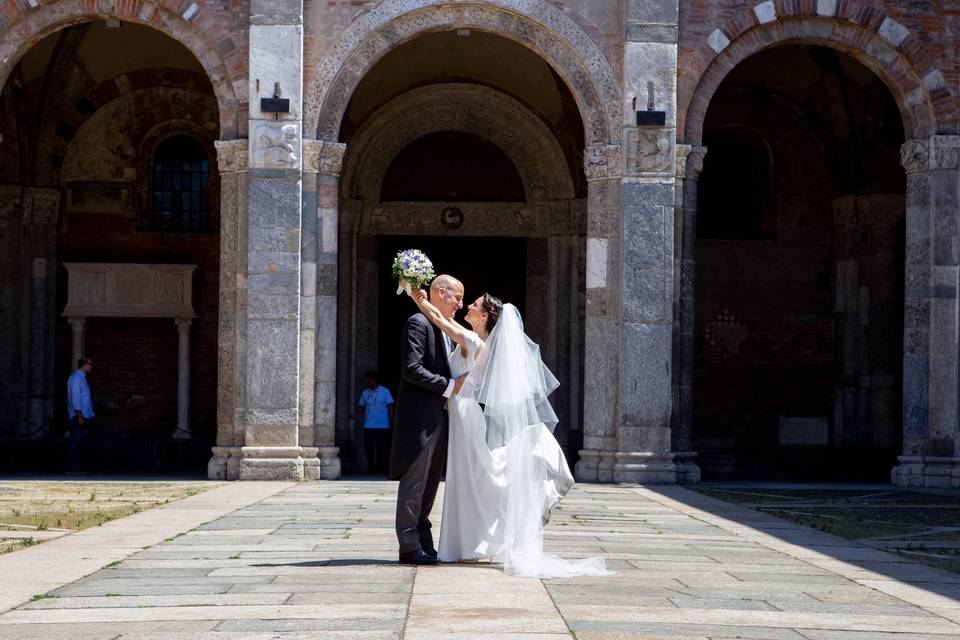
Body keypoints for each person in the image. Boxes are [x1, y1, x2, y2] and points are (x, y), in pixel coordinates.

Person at [410, 289, 608, 578]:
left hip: (465, 414)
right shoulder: (477, 339)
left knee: (474, 477)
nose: (469, 306)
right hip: (461, 413)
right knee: (468, 479)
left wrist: (416, 297)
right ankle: (464, 543)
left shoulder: (474, 341)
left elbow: (440, 320)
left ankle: (468, 542)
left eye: (475, 304)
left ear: (486, 315)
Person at [389, 274, 467, 566]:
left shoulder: (446, 329)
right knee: (415, 480)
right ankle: (408, 545)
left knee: (432, 481)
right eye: (456, 297)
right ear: (438, 292)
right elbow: (412, 368)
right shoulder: (418, 323)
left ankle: (423, 539)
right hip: (421, 417)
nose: (459, 304)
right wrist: (449, 386)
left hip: (442, 416)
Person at [351, 370, 394, 473]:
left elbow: (390, 407)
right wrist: (355, 414)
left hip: (383, 425)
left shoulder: (385, 391)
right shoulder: (365, 393)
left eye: (369, 379)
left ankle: (382, 467)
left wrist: (392, 421)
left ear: (375, 380)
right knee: (369, 448)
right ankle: (371, 467)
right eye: (367, 380)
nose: (368, 382)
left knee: (382, 448)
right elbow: (361, 406)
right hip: (369, 425)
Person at [66, 356, 95, 475]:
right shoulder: (77, 379)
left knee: (79, 442)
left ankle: (76, 466)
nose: (91, 367)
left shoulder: (81, 378)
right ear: (85, 364)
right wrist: (79, 415)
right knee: (75, 442)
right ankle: (72, 467)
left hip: (83, 415)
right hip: (78, 416)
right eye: (90, 364)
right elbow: (75, 398)